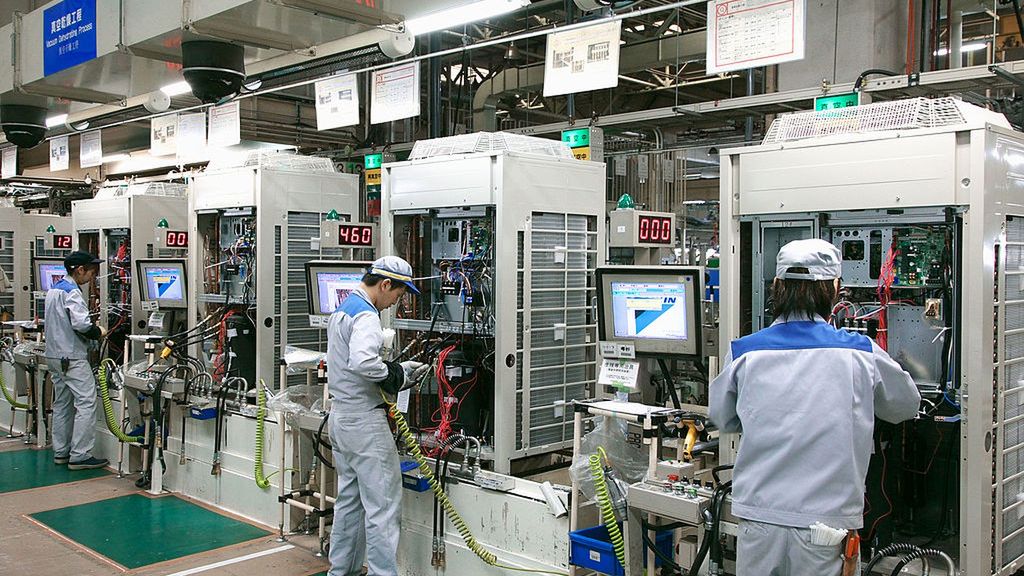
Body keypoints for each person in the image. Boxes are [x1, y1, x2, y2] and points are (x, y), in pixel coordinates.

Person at [709, 239, 921, 576]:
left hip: (760, 521)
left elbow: (723, 418)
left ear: (777, 285)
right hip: (826, 526)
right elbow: (906, 406)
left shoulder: (744, 353)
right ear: (834, 289)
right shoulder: (861, 353)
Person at [327, 256, 429, 576]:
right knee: (382, 507)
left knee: (350, 502)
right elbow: (362, 362)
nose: (396, 302)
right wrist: (396, 375)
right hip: (364, 423)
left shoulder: (344, 309)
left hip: (341, 419)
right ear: (385, 285)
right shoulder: (367, 315)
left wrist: (395, 371)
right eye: (398, 294)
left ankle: (341, 571)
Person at [45, 250, 108, 470]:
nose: (92, 277)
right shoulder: (72, 292)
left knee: (62, 403)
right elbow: (81, 324)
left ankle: (61, 452)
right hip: (71, 357)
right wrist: (98, 332)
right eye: (91, 272)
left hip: (54, 356)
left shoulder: (54, 289)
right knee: (86, 402)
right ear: (80, 270)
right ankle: (80, 455)